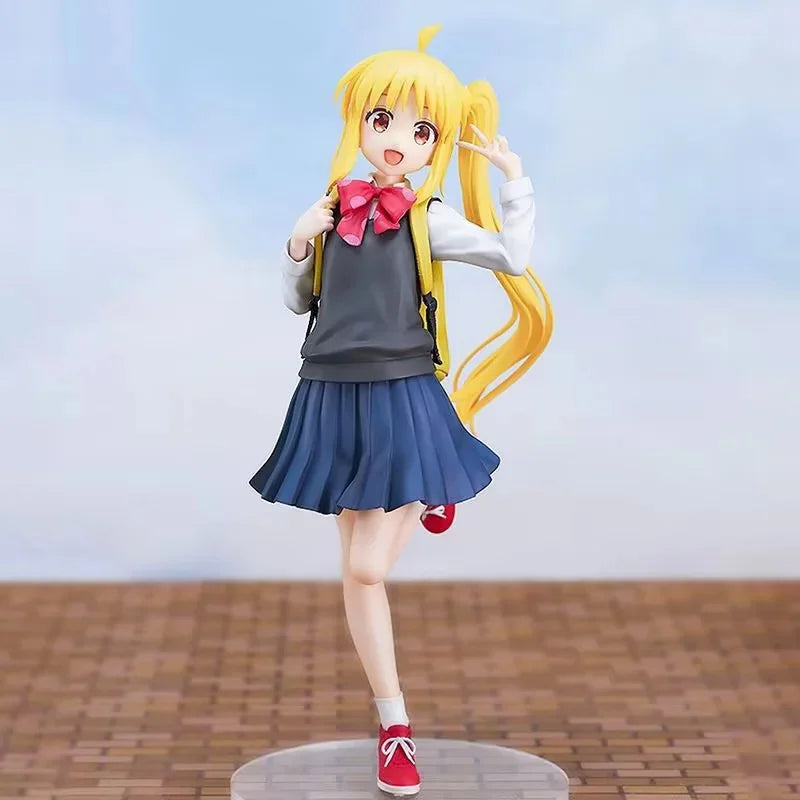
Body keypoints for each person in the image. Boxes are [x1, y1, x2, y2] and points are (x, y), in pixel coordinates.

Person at [249, 24, 552, 796]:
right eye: (382, 120)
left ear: (435, 145)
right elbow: (299, 303)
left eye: (421, 131)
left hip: (400, 389)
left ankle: (429, 483)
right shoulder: (329, 208)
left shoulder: (427, 216)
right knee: (358, 579)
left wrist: (515, 182)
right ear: (358, 121)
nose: (396, 140)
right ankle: (394, 728)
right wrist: (297, 244)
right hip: (328, 389)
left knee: (366, 564)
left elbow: (512, 258)